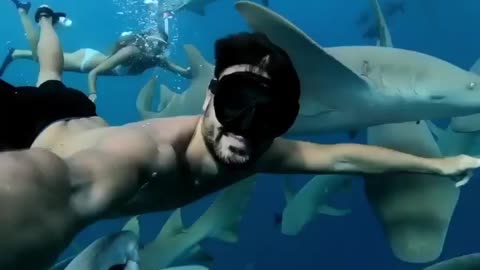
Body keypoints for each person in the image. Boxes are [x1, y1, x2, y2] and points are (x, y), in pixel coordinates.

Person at [0, 5, 479, 269]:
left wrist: (438, 165)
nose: (246, 127)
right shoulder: (136, 161)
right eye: (236, 103)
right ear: (211, 97)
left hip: (74, 112)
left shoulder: (262, 151)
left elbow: (339, 157)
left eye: (268, 116)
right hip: (21, 129)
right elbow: (45, 185)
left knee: (49, 72)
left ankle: (43, 18)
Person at [1, 0, 192, 103]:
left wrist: (189, 72)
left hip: (95, 57)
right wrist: (92, 93)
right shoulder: (131, 52)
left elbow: (182, 72)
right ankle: (31, 14)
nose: (158, 48)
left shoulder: (156, 59)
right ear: (147, 41)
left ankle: (17, 52)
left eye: (161, 46)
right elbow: (94, 72)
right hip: (86, 62)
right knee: (42, 61)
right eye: (156, 44)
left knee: (41, 59)